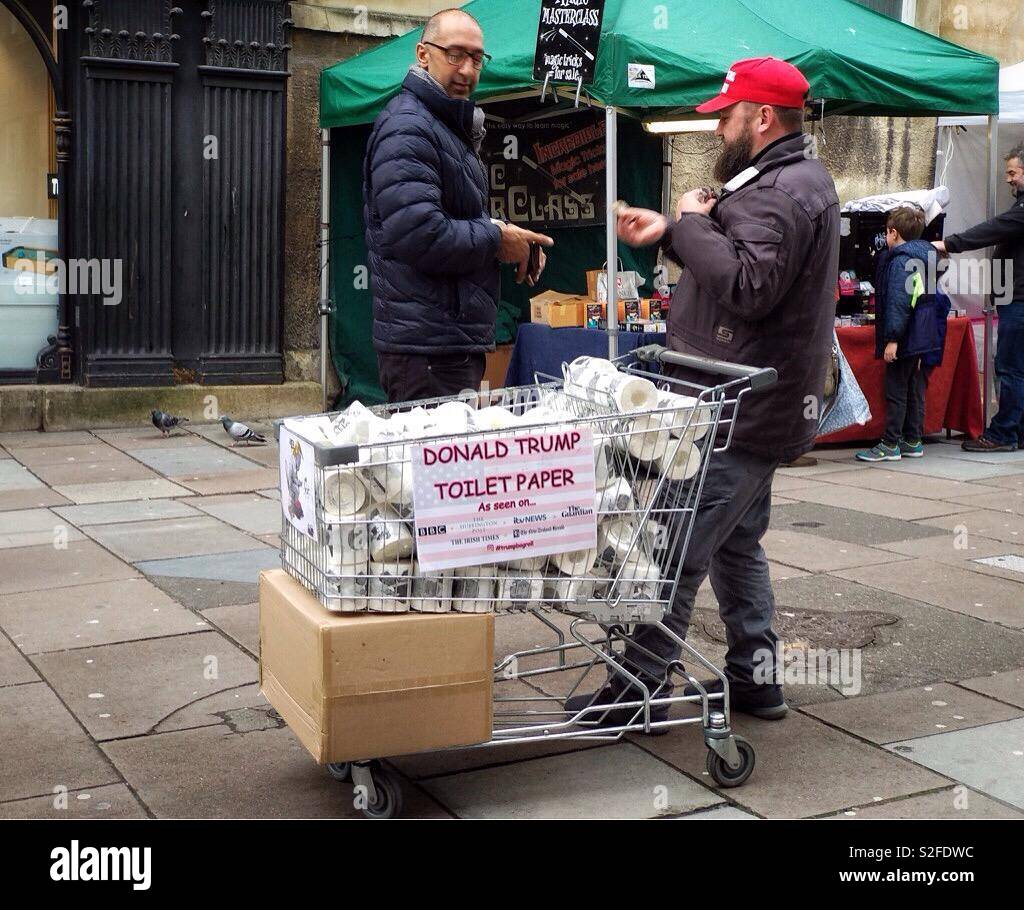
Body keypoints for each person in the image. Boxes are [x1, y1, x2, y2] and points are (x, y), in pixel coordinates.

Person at [567, 57, 840, 724]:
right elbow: (749, 274)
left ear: (763, 117)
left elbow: (749, 287)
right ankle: (755, 679)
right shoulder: (786, 180)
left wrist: (687, 222)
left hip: (736, 408)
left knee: (678, 551)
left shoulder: (779, 191)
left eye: (726, 115)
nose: (718, 128)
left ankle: (638, 690)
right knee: (737, 542)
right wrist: (675, 231)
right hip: (755, 400)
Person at [363, 8, 553, 404]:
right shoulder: (408, 125)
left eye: (477, 58)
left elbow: (444, 219)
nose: (467, 69)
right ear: (422, 54)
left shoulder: (441, 124)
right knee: (431, 463)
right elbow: (418, 232)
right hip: (427, 352)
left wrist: (504, 234)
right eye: (454, 54)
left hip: (444, 344)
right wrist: (496, 238)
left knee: (449, 463)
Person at [933, 144, 1024, 452]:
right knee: (1016, 368)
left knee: (1010, 368)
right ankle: (1017, 430)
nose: (1008, 179)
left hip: (1019, 302)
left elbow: (991, 230)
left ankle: (1004, 433)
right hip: (1013, 298)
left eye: (1012, 172)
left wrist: (948, 244)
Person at [856, 205, 937, 462]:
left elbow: (898, 302)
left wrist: (892, 339)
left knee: (896, 389)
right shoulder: (927, 257)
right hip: (922, 335)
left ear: (892, 233)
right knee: (914, 388)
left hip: (903, 337)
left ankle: (890, 443)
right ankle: (913, 439)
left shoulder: (899, 261)